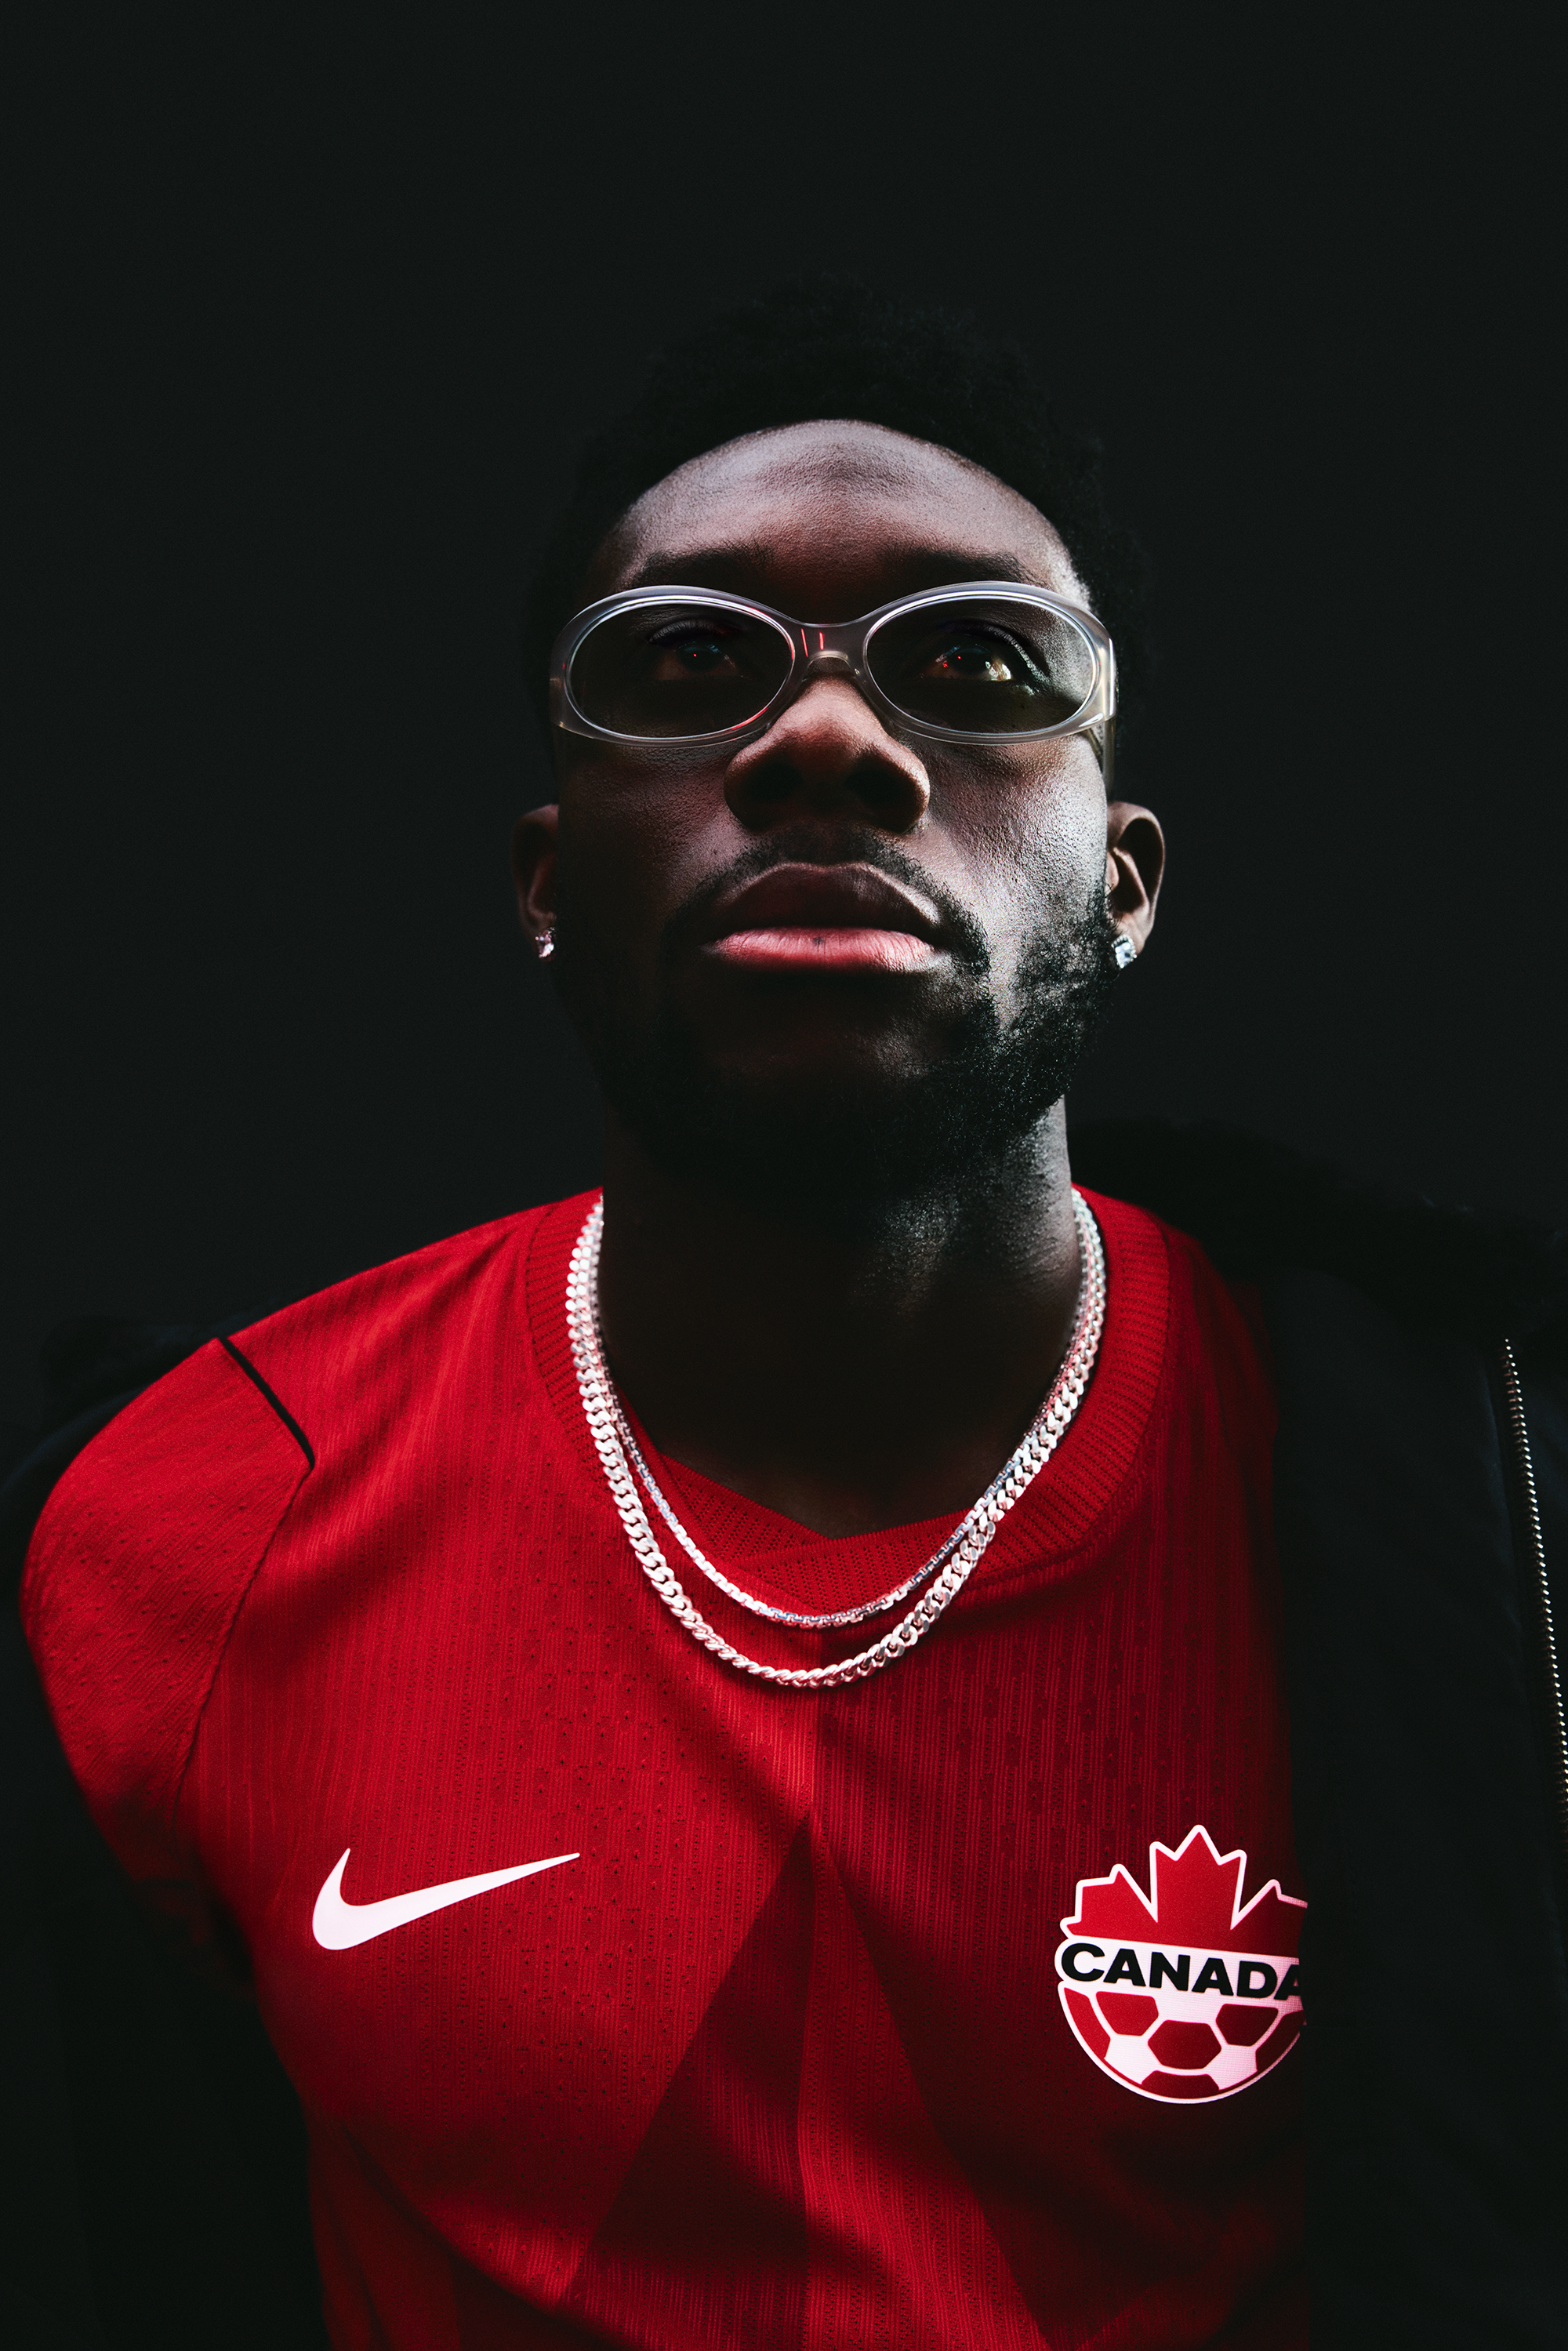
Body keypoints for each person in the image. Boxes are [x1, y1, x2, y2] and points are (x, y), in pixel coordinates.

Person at [13, 282, 1567, 2349]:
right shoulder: (187, 1538)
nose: (830, 736)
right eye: (682, 663)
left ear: (1124, 879)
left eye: (981, 664)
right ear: (548, 873)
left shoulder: (1477, 1537)